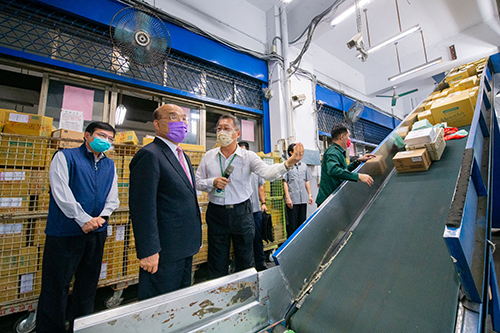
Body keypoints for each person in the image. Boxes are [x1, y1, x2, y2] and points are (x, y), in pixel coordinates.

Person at [196, 114, 304, 279]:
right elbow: (197, 182)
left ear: (237, 134)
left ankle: (245, 293)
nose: (221, 132)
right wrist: (212, 182)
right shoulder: (208, 157)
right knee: (217, 258)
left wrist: (288, 163)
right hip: (216, 213)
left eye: (226, 129)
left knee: (245, 256)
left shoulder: (248, 157)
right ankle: (219, 294)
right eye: (219, 129)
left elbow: (267, 173)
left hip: (242, 212)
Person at [37, 122, 119, 333]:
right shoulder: (65, 157)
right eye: (102, 135)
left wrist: (102, 217)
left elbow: (113, 197)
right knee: (56, 286)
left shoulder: (109, 165)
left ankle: (81, 328)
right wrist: (83, 219)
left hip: (96, 233)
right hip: (65, 233)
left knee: (87, 286)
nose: (106, 141)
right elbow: (61, 192)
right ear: (87, 135)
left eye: (110, 139)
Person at [129, 104, 201, 301]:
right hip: (163, 251)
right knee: (159, 307)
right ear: (156, 124)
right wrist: (149, 251)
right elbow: (142, 208)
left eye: (184, 119)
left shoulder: (182, 156)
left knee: (178, 303)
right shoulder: (149, 155)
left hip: (184, 247)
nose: (182, 123)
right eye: (172, 117)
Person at [316, 124, 376, 206]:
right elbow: (333, 170)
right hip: (328, 200)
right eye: (348, 136)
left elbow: (344, 170)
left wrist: (358, 161)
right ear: (342, 137)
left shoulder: (338, 152)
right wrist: (358, 176)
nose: (349, 139)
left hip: (335, 198)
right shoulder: (333, 152)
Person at [238, 141, 268, 271]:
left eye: (244, 150)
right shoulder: (235, 169)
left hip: (255, 210)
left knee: (257, 238)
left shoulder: (255, 168)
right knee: (243, 240)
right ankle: (246, 268)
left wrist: (264, 203)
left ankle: (260, 263)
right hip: (241, 211)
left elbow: (261, 187)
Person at [283, 143, 313, 236]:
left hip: (303, 199)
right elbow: (285, 182)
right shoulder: (286, 165)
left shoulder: (304, 166)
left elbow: (307, 180)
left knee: (302, 222)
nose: (300, 154)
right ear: (291, 152)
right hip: (293, 200)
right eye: (297, 151)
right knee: (292, 224)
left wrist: (309, 195)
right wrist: (288, 198)